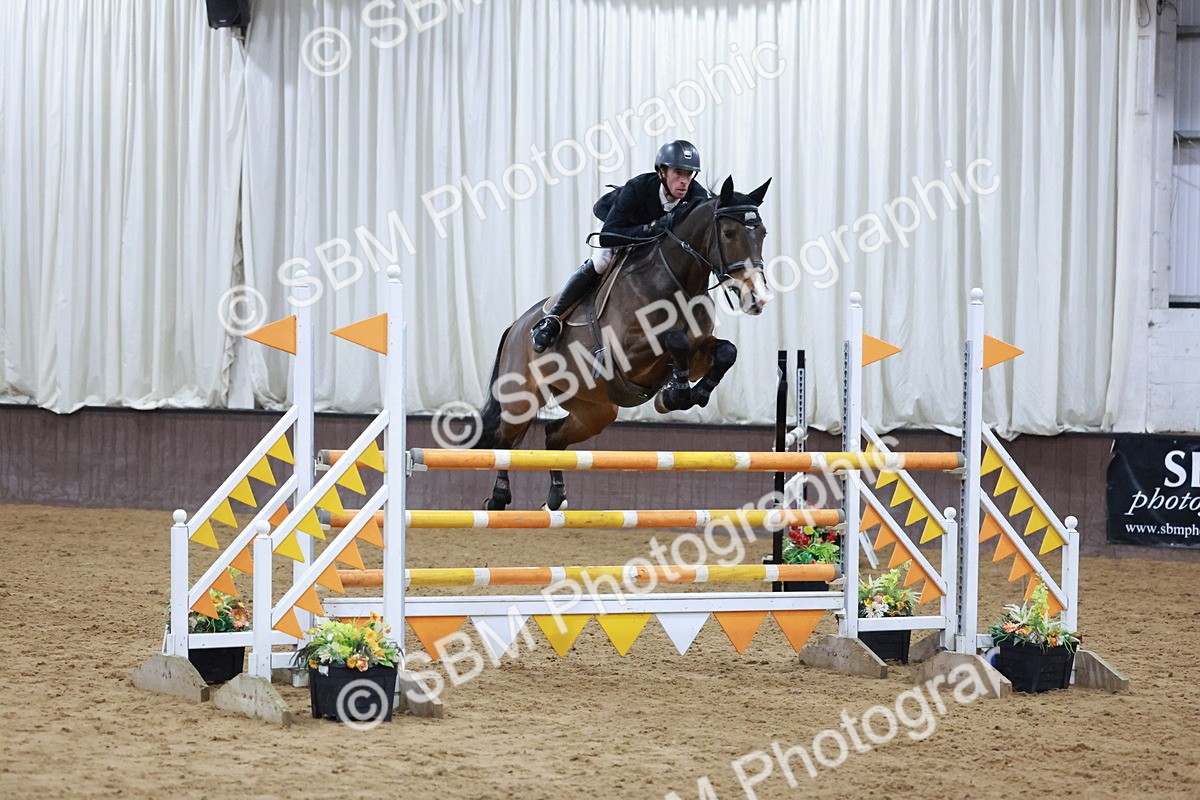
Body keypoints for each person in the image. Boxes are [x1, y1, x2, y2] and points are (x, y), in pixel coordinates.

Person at [530, 139, 711, 352]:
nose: (684, 181)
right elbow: (608, 236)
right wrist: (650, 229)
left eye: (689, 174)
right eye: (678, 173)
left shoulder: (697, 197)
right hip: (616, 224)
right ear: (662, 172)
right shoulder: (638, 188)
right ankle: (553, 318)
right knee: (601, 262)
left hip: (654, 236)